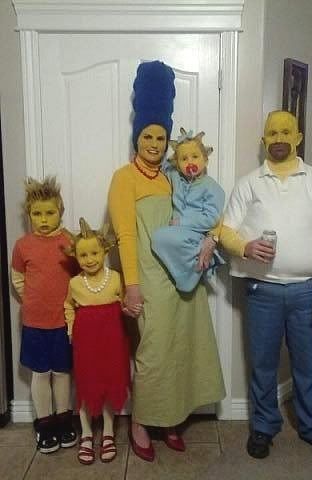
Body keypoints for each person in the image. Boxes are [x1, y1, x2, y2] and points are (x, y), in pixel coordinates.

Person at [108, 60, 225, 462]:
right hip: (151, 280)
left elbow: (208, 211)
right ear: (137, 137)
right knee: (154, 350)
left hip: (185, 275)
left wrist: (211, 238)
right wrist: (133, 284)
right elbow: (125, 234)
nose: (155, 144)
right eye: (148, 136)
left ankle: (170, 419)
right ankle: (142, 420)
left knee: (180, 348)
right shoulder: (125, 178)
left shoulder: (177, 176)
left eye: (161, 137)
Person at [220, 110, 312, 465]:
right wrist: (244, 247)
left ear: (298, 137)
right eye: (272, 133)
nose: (278, 138)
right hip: (263, 292)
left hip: (309, 290)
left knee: (306, 365)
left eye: (285, 132)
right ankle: (264, 427)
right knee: (262, 364)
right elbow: (225, 230)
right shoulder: (249, 183)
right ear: (264, 141)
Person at [11, 177, 78, 454]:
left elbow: (78, 276)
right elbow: (18, 277)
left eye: (49, 212)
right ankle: (45, 424)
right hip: (34, 323)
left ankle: (63, 419)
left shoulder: (69, 242)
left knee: (62, 372)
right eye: (37, 213)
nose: (43, 219)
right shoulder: (23, 245)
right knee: (41, 373)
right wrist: (30, 299)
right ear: (29, 215)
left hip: (63, 322)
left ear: (60, 211)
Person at [64, 218, 130, 465]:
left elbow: (123, 304)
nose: (89, 259)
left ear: (104, 251)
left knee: (110, 383)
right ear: (75, 257)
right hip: (86, 341)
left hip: (112, 340)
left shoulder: (115, 278)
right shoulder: (74, 283)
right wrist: (71, 329)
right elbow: (68, 306)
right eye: (83, 255)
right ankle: (87, 434)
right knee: (86, 384)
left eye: (94, 253)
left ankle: (109, 431)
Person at [151, 127, 225, 292]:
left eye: (195, 156)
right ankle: (189, 268)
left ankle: (200, 262)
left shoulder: (212, 187)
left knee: (162, 236)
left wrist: (182, 221)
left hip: (196, 233)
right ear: (177, 164)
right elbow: (163, 165)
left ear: (205, 160)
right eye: (184, 159)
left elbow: (212, 218)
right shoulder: (176, 177)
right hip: (179, 232)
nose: (190, 162)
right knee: (157, 238)